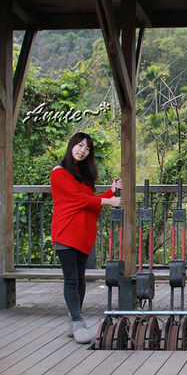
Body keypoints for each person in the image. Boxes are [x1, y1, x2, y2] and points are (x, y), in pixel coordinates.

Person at [51, 132, 122, 343]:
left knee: (80, 279)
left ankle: (74, 319)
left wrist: (110, 192)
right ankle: (77, 322)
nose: (83, 150)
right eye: (80, 145)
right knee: (71, 278)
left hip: (82, 234)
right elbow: (77, 199)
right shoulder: (59, 172)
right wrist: (108, 202)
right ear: (71, 145)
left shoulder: (83, 177)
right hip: (66, 232)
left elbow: (91, 202)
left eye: (87, 148)